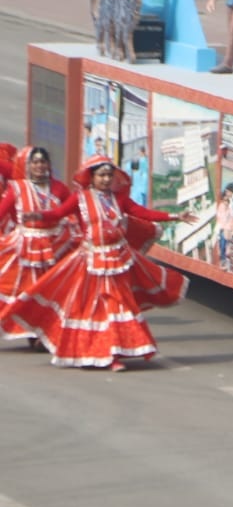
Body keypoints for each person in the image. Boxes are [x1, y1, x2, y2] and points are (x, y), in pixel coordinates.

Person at [0, 156, 195, 370]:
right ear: (92, 177)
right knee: (93, 307)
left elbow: (142, 212)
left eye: (109, 175)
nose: (106, 179)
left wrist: (174, 216)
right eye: (101, 175)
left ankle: (114, 353)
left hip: (118, 261)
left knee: (119, 305)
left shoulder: (119, 199)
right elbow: (59, 213)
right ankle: (106, 353)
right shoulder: (80, 198)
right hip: (91, 263)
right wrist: (38, 215)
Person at [0, 148, 79, 349]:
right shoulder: (17, 188)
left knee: (49, 290)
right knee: (18, 288)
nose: (39, 166)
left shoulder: (59, 188)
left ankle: (42, 329)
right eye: (34, 162)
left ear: (49, 165)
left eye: (43, 162)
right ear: (27, 166)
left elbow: (73, 211)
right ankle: (26, 328)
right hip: (24, 246)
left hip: (54, 247)